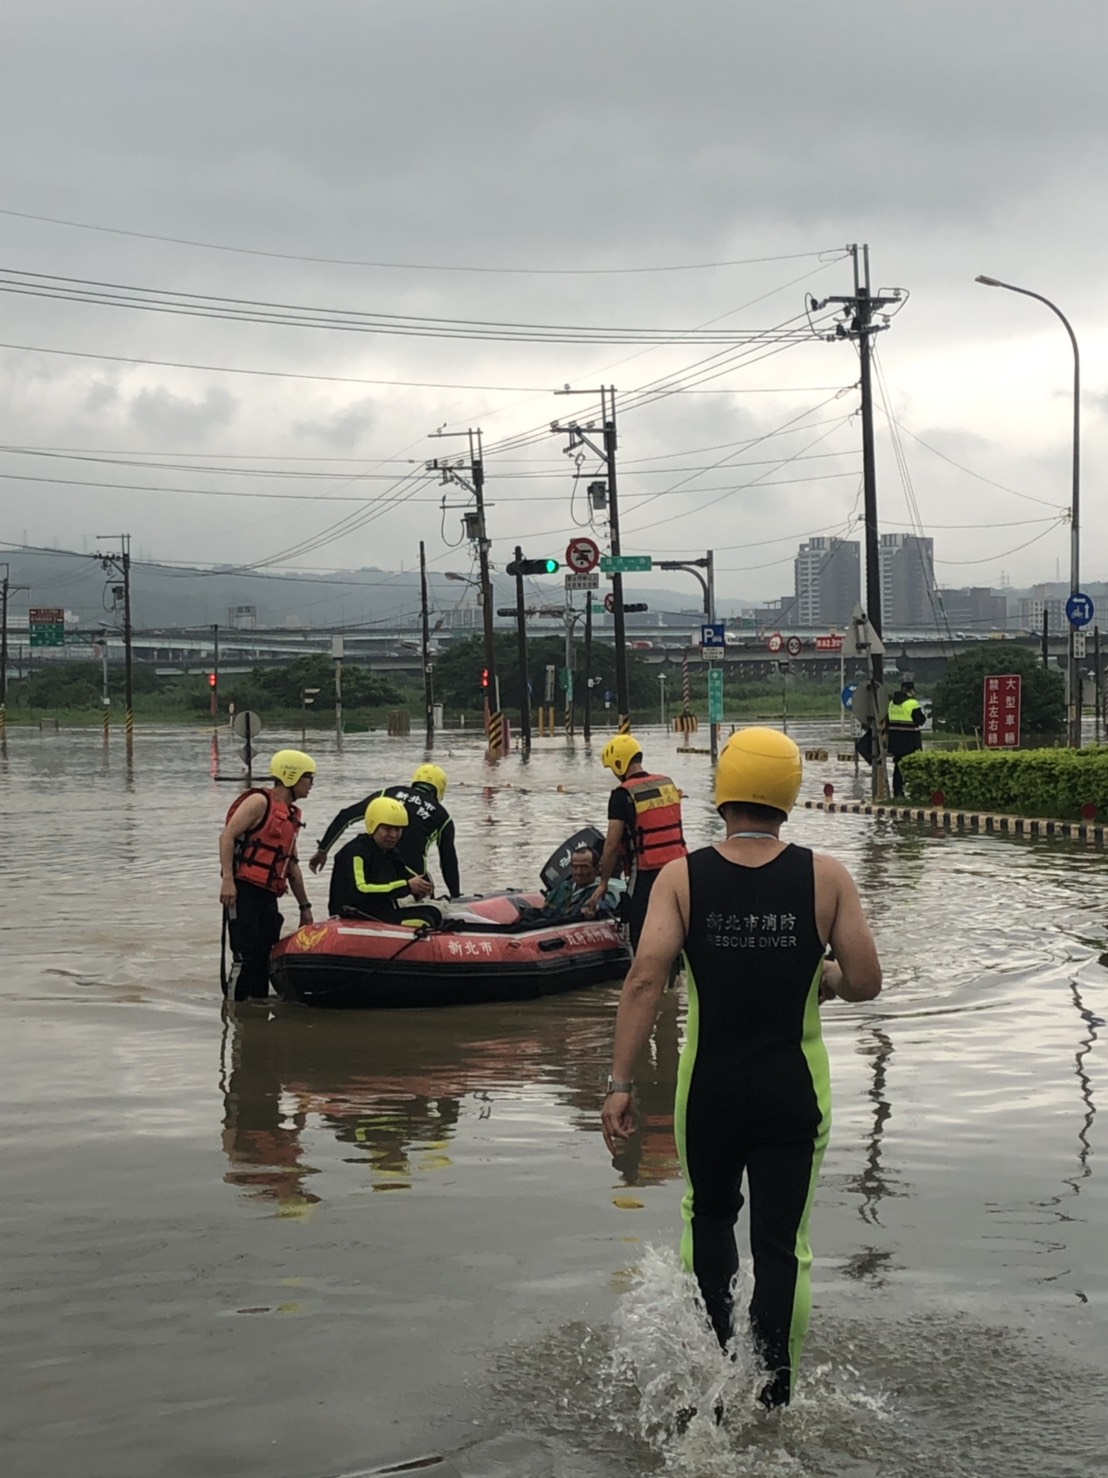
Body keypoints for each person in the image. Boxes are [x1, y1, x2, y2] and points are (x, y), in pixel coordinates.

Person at [601, 727, 882, 1410]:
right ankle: (775, 1395)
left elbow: (645, 979)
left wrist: (620, 1083)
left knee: (708, 1218)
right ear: (788, 794)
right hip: (795, 1091)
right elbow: (867, 981)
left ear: (722, 793)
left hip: (710, 1093)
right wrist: (827, 978)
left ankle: (717, 1371)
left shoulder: (682, 877)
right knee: (786, 1246)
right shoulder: (826, 877)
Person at [218, 748, 316, 1002]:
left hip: (268, 893)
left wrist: (305, 907)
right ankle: (235, 1012)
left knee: (265, 954)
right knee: (245, 956)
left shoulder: (291, 816)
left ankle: (257, 1011)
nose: (311, 785)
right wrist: (228, 880)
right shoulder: (260, 802)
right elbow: (227, 837)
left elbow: (291, 867)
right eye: (308, 778)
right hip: (242, 889)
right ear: (291, 777)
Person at [588, 735, 686, 949]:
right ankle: (674, 979)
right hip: (680, 869)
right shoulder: (667, 784)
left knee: (636, 935)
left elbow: (612, 845)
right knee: (675, 930)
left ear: (619, 763)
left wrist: (603, 883)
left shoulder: (621, 795)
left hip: (645, 872)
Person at [308, 763, 460, 899]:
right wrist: (455, 895)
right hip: (412, 873)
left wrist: (323, 850)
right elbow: (448, 861)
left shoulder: (389, 793)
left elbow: (346, 816)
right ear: (440, 789)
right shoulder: (443, 817)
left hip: (378, 864)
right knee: (427, 900)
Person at [327, 795, 436, 922]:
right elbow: (360, 890)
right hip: (354, 916)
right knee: (423, 921)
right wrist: (406, 887)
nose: (393, 835)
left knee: (433, 913)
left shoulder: (390, 853)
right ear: (373, 826)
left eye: (398, 829)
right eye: (387, 829)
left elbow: (406, 875)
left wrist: (422, 887)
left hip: (378, 912)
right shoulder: (355, 852)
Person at [541, 846, 623, 921]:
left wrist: (594, 909)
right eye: (575, 867)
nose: (578, 872)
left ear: (597, 869)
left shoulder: (603, 891)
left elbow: (605, 904)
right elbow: (545, 911)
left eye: (584, 867)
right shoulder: (564, 887)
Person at [886, 681, 925, 797]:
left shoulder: (892, 703)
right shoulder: (912, 703)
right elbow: (920, 720)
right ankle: (914, 791)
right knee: (913, 765)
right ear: (910, 690)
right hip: (910, 740)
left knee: (898, 766)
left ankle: (897, 791)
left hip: (894, 740)